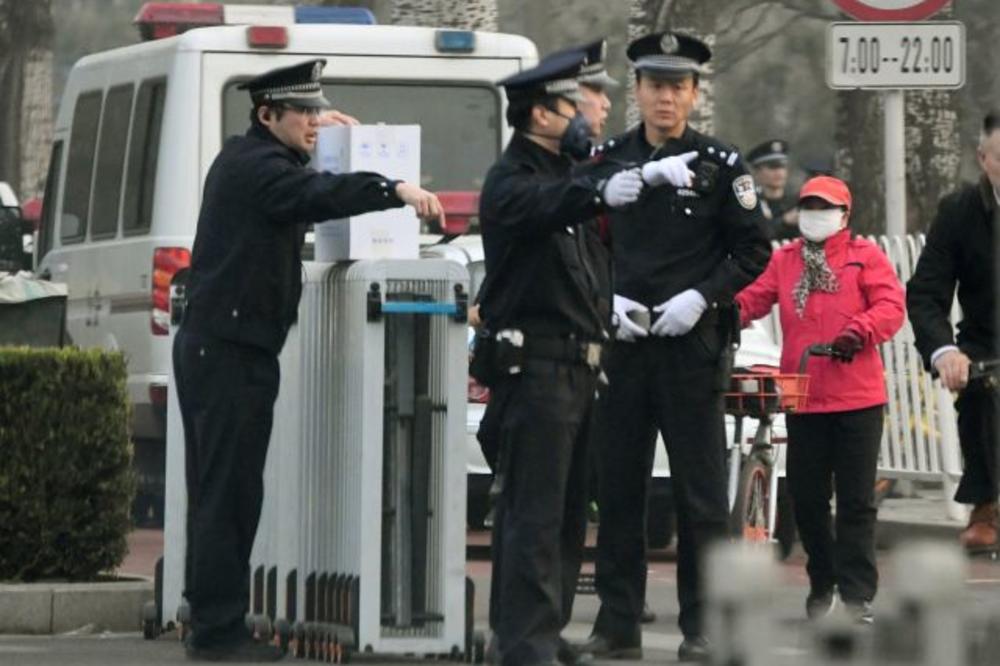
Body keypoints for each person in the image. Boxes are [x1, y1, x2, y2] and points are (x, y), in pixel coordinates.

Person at [174, 58, 443, 662]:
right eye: (306, 113)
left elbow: (306, 174)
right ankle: (218, 633)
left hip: (225, 347)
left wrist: (331, 135)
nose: (316, 122)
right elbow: (318, 193)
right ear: (268, 114)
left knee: (223, 491)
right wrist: (393, 188)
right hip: (231, 353)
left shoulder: (254, 160)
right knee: (229, 494)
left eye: (320, 111)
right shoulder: (259, 171)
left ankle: (212, 617)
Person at [582, 31, 771, 663]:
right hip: (625, 346)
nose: (667, 97)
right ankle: (616, 623)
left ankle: (703, 623)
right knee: (618, 491)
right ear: (636, 91)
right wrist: (606, 301)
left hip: (691, 350)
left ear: (694, 93)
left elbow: (753, 251)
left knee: (699, 497)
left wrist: (703, 297)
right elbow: (579, 239)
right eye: (655, 85)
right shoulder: (607, 160)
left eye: (678, 86)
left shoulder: (721, 164)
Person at [477, 49, 644, 666]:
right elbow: (552, 207)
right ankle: (523, 643)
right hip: (537, 368)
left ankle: (539, 632)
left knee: (570, 515)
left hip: (578, 366)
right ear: (540, 114)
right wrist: (601, 187)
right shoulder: (516, 179)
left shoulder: (563, 176)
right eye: (572, 104)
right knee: (535, 516)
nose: (584, 114)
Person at [735, 175, 905, 624]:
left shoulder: (865, 257)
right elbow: (755, 298)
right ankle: (822, 579)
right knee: (807, 499)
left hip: (858, 398)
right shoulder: (786, 260)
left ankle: (856, 595)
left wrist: (859, 331)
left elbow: (890, 306)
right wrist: (722, 312)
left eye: (825, 207)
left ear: (845, 215)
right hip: (804, 395)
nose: (816, 214)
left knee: (855, 502)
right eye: (809, 206)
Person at [907, 110, 1000, 554]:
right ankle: (986, 505)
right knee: (981, 396)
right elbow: (926, 291)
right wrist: (944, 351)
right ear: (983, 159)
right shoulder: (960, 211)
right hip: (987, 345)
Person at [747, 139, 799, 241]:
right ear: (757, 172)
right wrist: (784, 222)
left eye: (782, 167)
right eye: (773, 167)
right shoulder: (750, 205)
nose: (779, 173)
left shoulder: (797, 203)